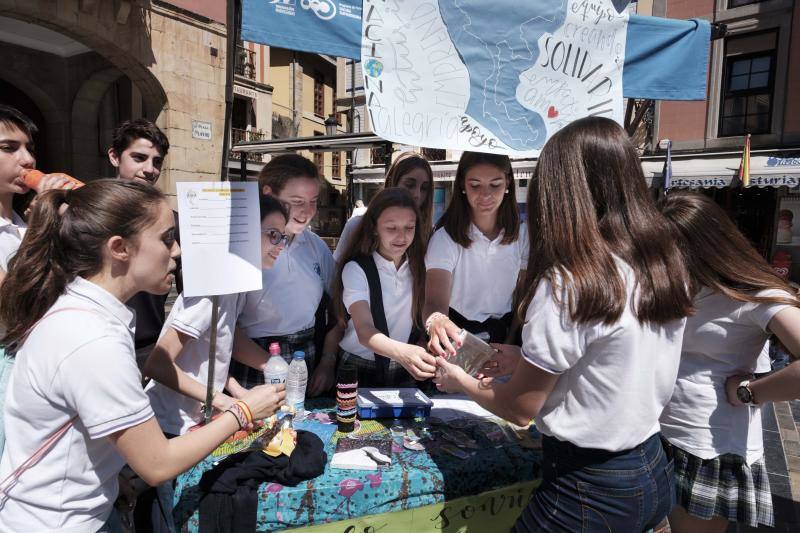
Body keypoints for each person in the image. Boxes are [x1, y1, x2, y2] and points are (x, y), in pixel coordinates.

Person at [433, 117, 693, 532]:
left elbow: (519, 409)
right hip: (652, 469)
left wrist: (457, 379)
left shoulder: (570, 282)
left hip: (588, 488)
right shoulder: (663, 263)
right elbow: (613, 357)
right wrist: (523, 357)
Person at [0, 180, 285, 532]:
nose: (177, 250)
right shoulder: (91, 339)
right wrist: (242, 410)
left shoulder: (91, 317)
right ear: (119, 248)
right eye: (167, 238)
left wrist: (107, 474)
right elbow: (156, 463)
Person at [658, 191, 800, 531]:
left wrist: (751, 391)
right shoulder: (680, 286)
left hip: (709, 448)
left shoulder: (755, 293)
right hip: (662, 434)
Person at [145, 195, 290, 435]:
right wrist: (224, 402)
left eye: (283, 237)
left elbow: (215, 347)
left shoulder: (236, 285)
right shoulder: (212, 290)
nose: (281, 245)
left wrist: (236, 390)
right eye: (273, 235)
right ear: (244, 233)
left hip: (193, 421)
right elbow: (157, 364)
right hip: (168, 424)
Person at [0, 104, 78, 453]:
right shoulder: (28, 227)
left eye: (29, 147)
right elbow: (12, 304)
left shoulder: (19, 224)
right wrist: (43, 228)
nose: (28, 159)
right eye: (9, 148)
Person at [232, 154, 339, 396]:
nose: (307, 211)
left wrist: (327, 361)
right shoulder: (241, 247)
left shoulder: (316, 246)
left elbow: (338, 310)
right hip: (254, 361)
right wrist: (272, 365)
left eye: (313, 201)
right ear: (268, 194)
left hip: (306, 359)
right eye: (297, 201)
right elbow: (223, 328)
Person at [424, 151, 528, 353]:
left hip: (506, 339)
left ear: (508, 183)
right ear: (462, 184)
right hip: (456, 338)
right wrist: (436, 321)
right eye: (475, 185)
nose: (485, 195)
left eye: (495, 184)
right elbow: (434, 303)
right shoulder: (445, 238)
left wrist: (510, 340)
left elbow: (523, 298)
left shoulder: (522, 235)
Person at [333, 187, 436, 387]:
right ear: (374, 228)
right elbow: (365, 330)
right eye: (391, 228)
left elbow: (418, 319)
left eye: (409, 227)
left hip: (404, 366)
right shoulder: (356, 269)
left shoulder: (419, 267)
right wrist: (406, 352)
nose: (402, 236)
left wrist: (421, 343)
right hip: (358, 366)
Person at [107, 118, 181, 368]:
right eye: (139, 158)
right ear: (115, 157)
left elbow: (190, 295)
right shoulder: (90, 215)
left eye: (157, 162)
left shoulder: (173, 222)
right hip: (99, 344)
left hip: (150, 348)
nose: (150, 169)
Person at [334, 151, 434, 263]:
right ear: (392, 181)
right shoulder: (357, 224)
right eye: (409, 185)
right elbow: (335, 271)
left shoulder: (430, 235)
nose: (417, 194)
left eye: (424, 188)